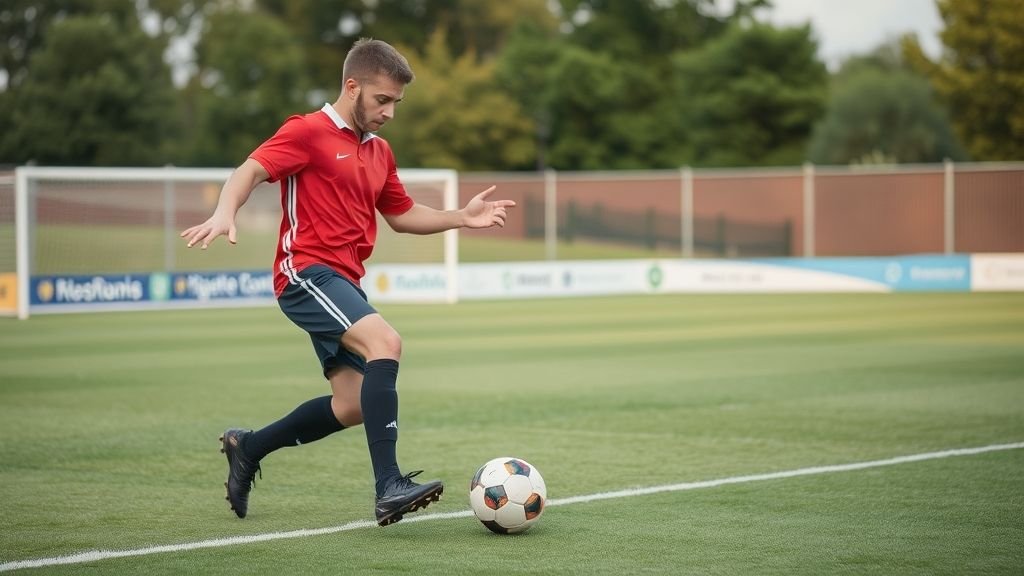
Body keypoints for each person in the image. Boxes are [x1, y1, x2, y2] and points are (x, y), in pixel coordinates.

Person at [180, 38, 514, 526]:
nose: (390, 112)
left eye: (397, 103)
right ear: (352, 86)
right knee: (387, 342)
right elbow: (249, 170)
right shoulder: (307, 132)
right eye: (382, 100)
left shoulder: (379, 152)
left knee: (353, 404)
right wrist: (224, 212)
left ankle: (248, 447)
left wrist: (460, 217)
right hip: (304, 273)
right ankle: (389, 487)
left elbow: (401, 215)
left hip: (345, 283)